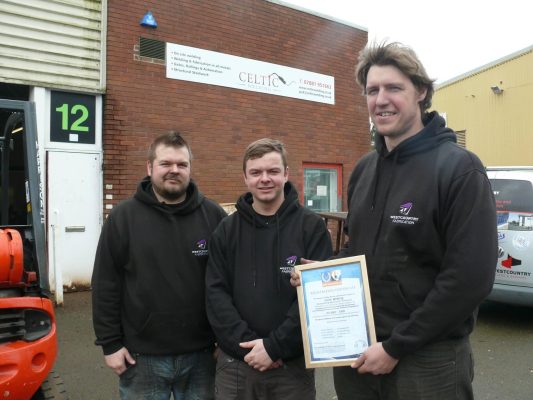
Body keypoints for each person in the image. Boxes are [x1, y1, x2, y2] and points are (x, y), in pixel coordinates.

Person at [291, 42, 497, 400]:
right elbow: (361, 249)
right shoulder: (364, 170)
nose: (381, 99)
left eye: (393, 88)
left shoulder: (459, 169)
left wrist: (396, 347)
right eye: (373, 90)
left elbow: (469, 279)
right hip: (359, 355)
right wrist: (322, 275)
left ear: (421, 92)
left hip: (427, 361)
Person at [92, 131, 227, 399]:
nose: (174, 171)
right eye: (166, 164)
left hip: (202, 356)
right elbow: (106, 284)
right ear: (150, 167)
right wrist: (110, 345)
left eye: (182, 164)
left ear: (190, 168)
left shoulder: (213, 216)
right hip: (141, 359)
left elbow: (229, 281)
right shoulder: (123, 218)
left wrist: (226, 341)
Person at [205, 138, 333, 399]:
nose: (265, 179)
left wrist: (275, 347)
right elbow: (216, 295)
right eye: (256, 172)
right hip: (237, 365)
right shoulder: (226, 231)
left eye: (273, 171)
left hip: (291, 366)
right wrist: (250, 350)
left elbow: (317, 299)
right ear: (245, 178)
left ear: (286, 174)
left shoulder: (312, 228)